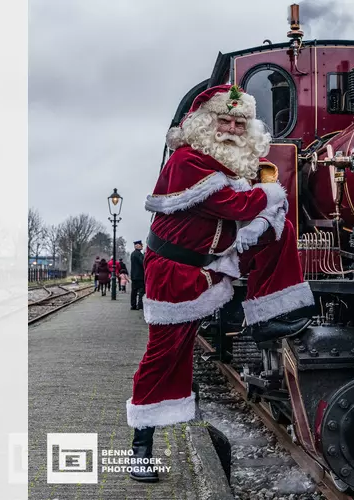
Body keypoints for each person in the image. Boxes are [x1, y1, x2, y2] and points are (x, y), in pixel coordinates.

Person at [125, 84, 315, 483]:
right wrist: (269, 197)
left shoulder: (227, 166)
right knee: (165, 356)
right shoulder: (187, 160)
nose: (230, 128)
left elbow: (250, 210)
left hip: (213, 263)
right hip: (174, 273)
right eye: (223, 120)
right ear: (204, 123)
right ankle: (140, 447)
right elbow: (236, 205)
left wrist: (265, 213)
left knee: (279, 228)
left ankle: (270, 316)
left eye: (238, 122)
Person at [130, 241, 145, 310]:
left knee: (134, 291)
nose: (142, 246)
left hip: (134, 276)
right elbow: (143, 263)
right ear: (137, 246)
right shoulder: (139, 254)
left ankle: (133, 305)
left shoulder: (133, 254)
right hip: (140, 276)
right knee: (141, 291)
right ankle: (140, 305)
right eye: (141, 245)